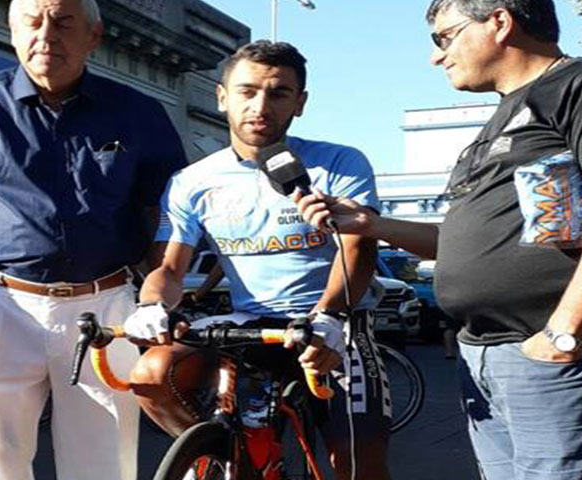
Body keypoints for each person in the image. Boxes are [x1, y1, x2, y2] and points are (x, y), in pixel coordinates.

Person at [295, 1, 582, 478]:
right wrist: (370, 224)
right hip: (489, 355)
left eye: (444, 37)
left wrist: (564, 333)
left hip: (562, 354)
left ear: (500, 22)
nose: (437, 56)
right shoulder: (504, 117)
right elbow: (465, 242)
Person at [0, 0, 187, 478]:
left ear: (94, 36)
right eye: (32, 22)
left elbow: (168, 211)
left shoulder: (139, 113)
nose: (46, 35)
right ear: (12, 31)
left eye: (63, 22)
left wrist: (157, 289)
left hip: (106, 305)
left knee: (104, 462)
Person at [124, 40, 392, 480]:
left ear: (300, 103)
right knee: (152, 374)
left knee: (356, 463)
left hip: (333, 322)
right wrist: (151, 305)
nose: (261, 106)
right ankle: (222, 455)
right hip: (252, 327)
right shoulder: (191, 181)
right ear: (222, 96)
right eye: (247, 91)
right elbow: (169, 268)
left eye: (279, 93)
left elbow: (358, 251)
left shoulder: (338, 162)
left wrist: (329, 315)